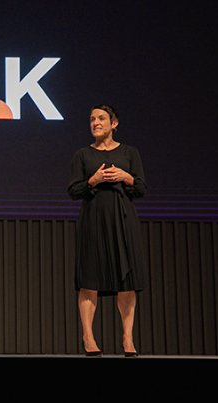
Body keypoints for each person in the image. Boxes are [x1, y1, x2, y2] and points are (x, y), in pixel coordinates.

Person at [67, 104, 148, 357]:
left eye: (101, 118)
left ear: (114, 123)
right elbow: (73, 190)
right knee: (89, 278)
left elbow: (142, 188)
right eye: (92, 119)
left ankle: (127, 337)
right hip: (94, 218)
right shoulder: (82, 155)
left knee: (127, 281)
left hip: (123, 219)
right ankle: (88, 337)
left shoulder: (129, 152)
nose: (95, 123)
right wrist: (93, 181)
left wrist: (126, 177)